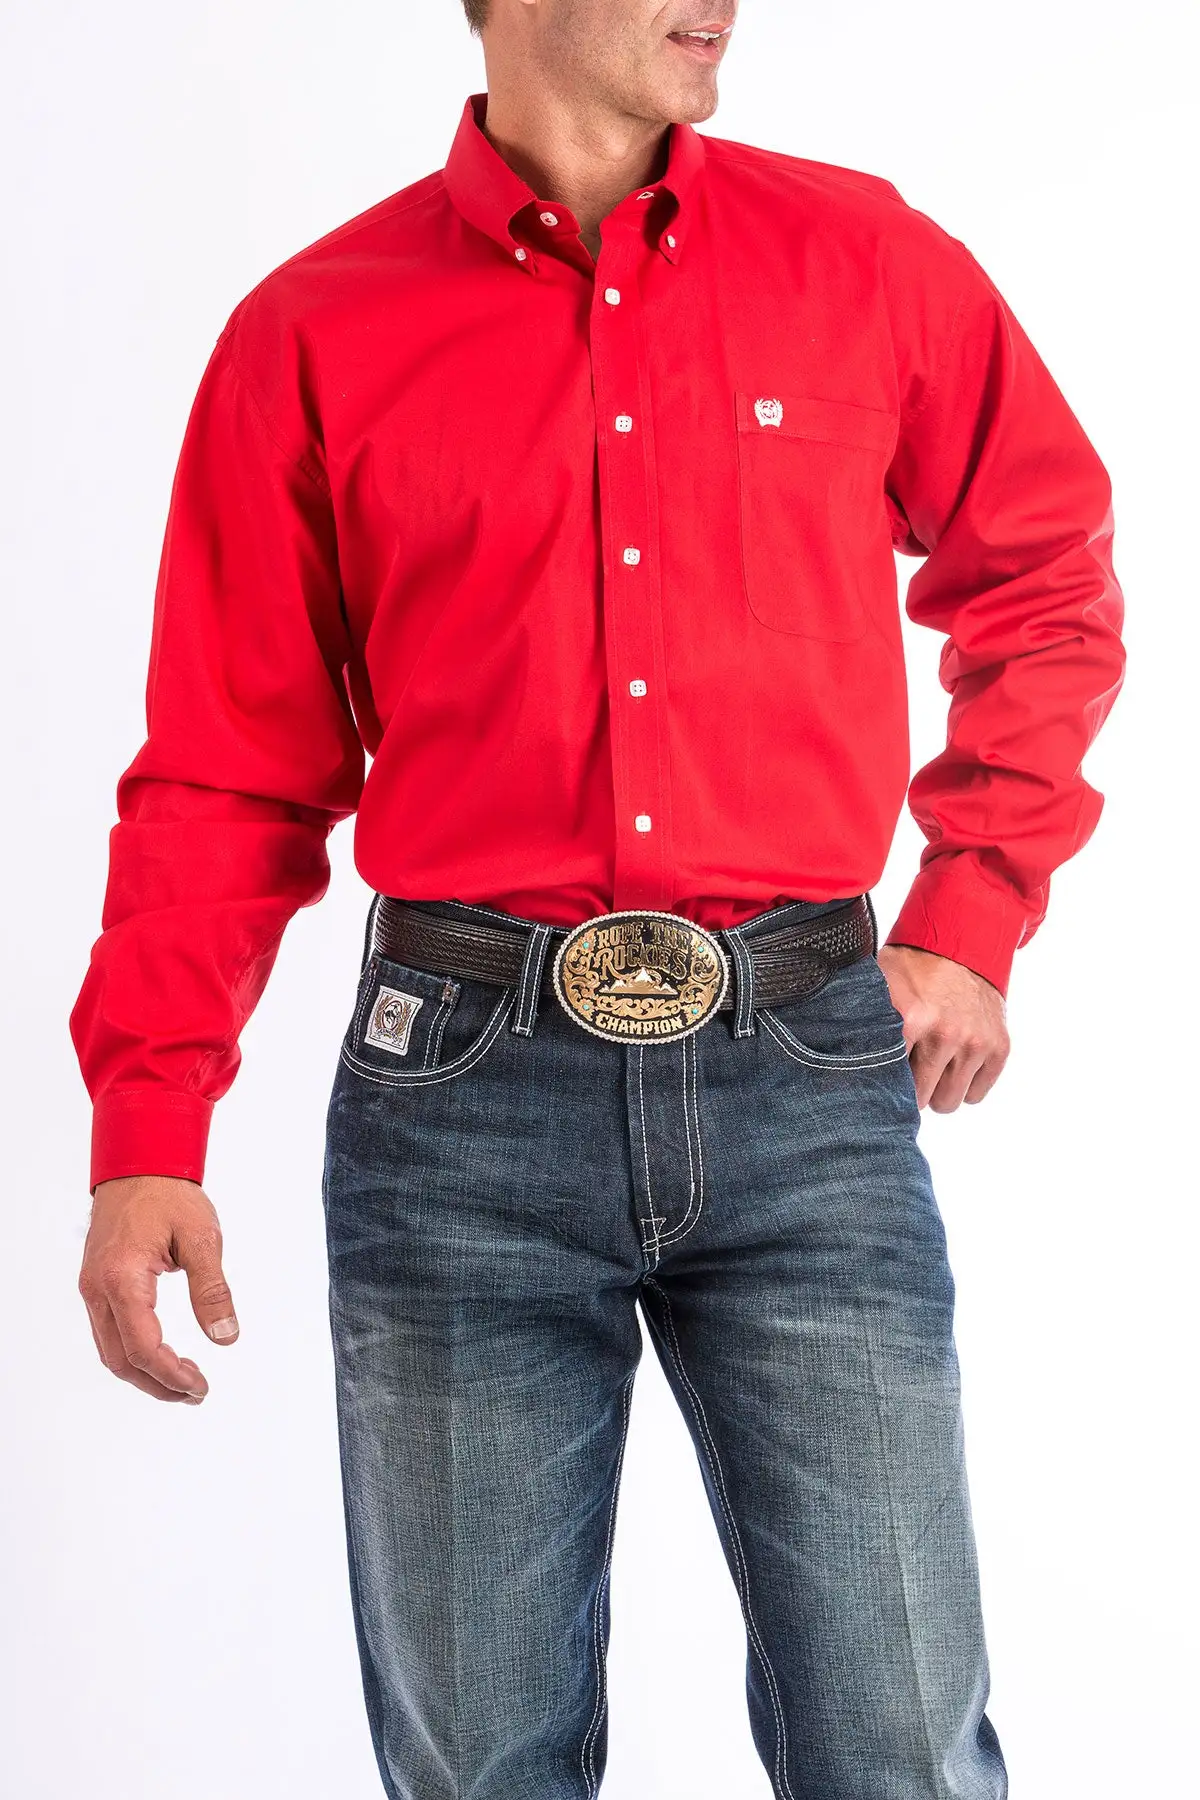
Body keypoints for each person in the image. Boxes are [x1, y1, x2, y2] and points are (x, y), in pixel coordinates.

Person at [69, 1, 1125, 1794]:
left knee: (900, 1747)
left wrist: (970, 913)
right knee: (482, 1764)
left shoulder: (867, 261)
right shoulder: (311, 330)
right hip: (458, 1103)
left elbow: (1045, 581)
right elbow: (226, 768)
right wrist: (147, 1128)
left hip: (807, 1078)